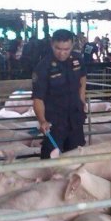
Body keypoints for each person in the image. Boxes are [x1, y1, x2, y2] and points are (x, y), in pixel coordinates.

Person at [32, 29, 87, 159]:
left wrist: (82, 98)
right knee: (51, 157)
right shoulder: (43, 67)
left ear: (72, 45)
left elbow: (83, 77)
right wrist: (42, 121)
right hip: (55, 121)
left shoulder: (77, 59)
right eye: (58, 48)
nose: (62, 53)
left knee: (76, 156)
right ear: (52, 44)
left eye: (66, 49)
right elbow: (38, 98)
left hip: (75, 118)